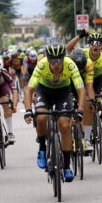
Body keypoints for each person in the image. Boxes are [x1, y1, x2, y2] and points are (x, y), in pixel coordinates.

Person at [23, 43, 85, 182]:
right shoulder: (42, 65)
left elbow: (81, 90)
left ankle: (67, 167)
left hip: (63, 92)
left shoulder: (70, 65)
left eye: (59, 60)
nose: (56, 64)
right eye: (52, 60)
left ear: (64, 58)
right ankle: (42, 149)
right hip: (44, 91)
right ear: (47, 59)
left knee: (65, 126)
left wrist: (80, 110)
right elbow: (29, 89)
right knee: (41, 117)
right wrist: (28, 111)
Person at [66, 31, 102, 143]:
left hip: (96, 80)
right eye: (93, 43)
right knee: (85, 104)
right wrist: (80, 36)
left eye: (98, 43)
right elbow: (69, 47)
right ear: (89, 45)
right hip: (80, 80)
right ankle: (80, 130)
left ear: (101, 45)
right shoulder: (82, 53)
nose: (96, 45)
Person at [69, 48, 95, 151]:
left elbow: (89, 85)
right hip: (67, 85)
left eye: (81, 67)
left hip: (81, 86)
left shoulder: (88, 63)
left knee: (88, 105)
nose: (79, 69)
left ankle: (87, 139)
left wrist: (92, 100)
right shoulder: (67, 64)